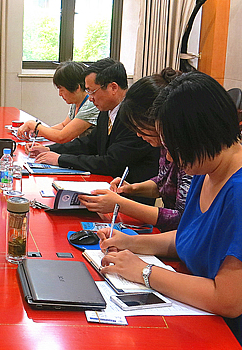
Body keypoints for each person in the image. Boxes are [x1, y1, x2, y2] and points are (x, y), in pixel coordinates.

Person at [96, 72, 242, 344]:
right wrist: (131, 242)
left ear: (201, 134)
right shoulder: (207, 169)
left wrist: (144, 272)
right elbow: (191, 236)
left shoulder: (237, 192)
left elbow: (228, 300)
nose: (172, 158)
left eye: (175, 147)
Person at [78, 69, 192, 231]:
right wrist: (131, 188)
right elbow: (164, 182)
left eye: (139, 126)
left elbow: (183, 220)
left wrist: (121, 204)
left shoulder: (190, 155)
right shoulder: (164, 144)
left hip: (176, 237)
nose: (138, 134)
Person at [31, 59, 159, 201]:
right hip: (108, 188)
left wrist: (61, 159)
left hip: (131, 198)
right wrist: (51, 149)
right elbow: (90, 143)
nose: (90, 98)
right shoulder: (106, 111)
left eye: (92, 91)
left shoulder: (134, 117)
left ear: (113, 88)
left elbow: (111, 163)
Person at [17, 61, 98, 143]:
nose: (60, 94)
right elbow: (63, 126)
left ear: (77, 88)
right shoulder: (77, 102)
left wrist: (32, 124)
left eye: (61, 89)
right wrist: (37, 132)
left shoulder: (90, 105)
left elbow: (62, 137)